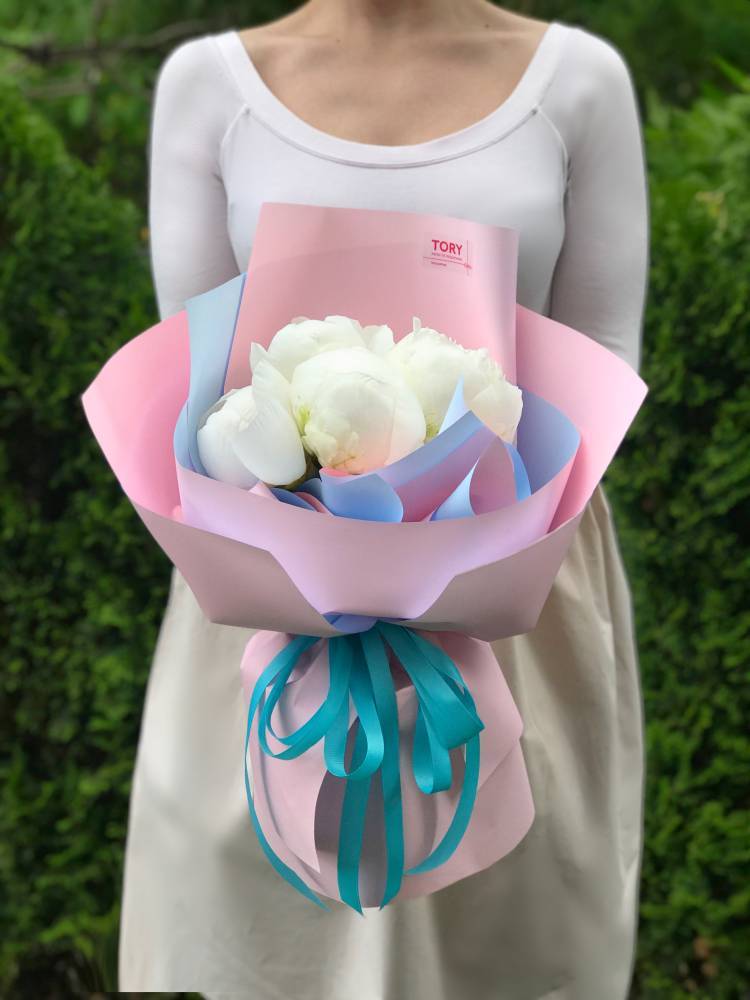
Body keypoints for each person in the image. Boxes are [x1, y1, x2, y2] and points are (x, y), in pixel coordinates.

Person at [119, 2, 650, 996]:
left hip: (516, 603)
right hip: (269, 610)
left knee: (514, 951)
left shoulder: (577, 84)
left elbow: (602, 361)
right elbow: (199, 390)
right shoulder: (208, 86)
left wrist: (453, 544)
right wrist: (335, 547)